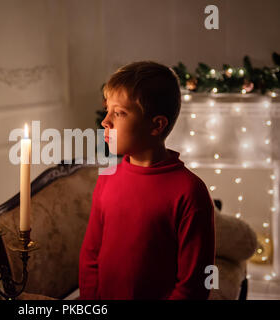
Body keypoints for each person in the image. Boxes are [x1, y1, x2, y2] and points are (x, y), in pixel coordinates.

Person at [79, 61, 215, 299]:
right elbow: (91, 254)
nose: (105, 121)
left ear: (157, 125)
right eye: (107, 109)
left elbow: (193, 284)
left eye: (119, 113)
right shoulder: (108, 178)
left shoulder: (190, 192)